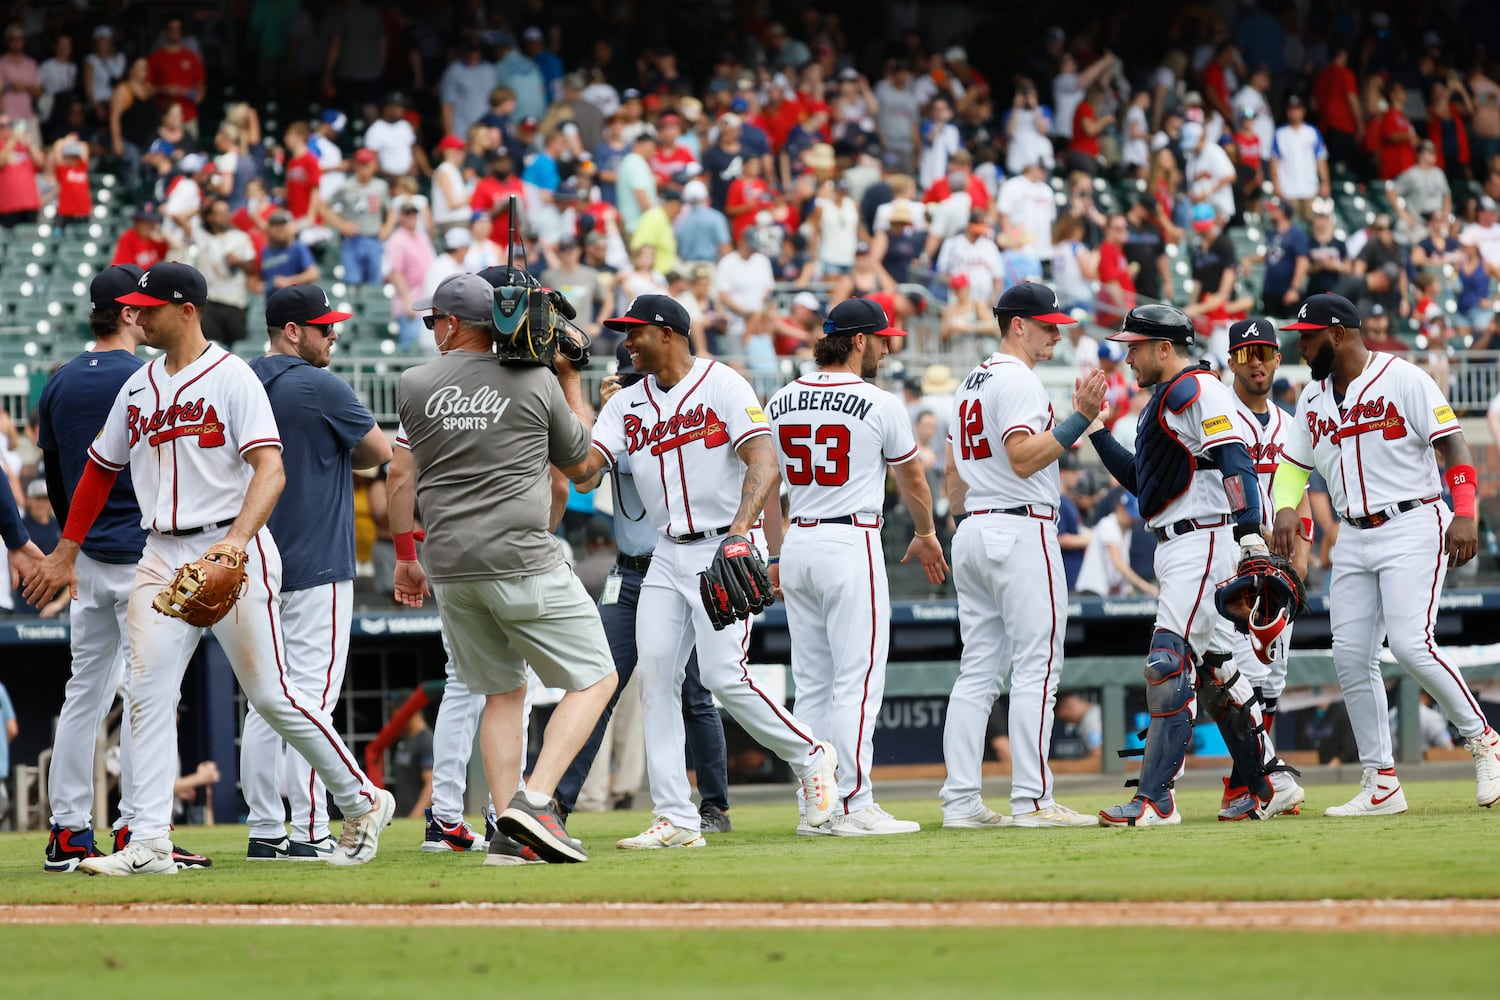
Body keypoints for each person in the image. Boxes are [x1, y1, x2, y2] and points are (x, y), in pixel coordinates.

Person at [23, 261, 395, 873]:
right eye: (134, 307)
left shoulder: (232, 378)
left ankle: (362, 798)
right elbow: (97, 470)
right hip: (158, 553)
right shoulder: (138, 386)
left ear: (187, 310)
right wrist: (66, 549)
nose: (137, 315)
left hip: (229, 545)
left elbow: (270, 470)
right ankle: (147, 842)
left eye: (150, 306)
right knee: (146, 693)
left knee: (273, 696)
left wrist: (237, 543)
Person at [569, 293, 839, 847]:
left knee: (723, 677)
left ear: (668, 333)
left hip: (720, 546)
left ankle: (811, 755)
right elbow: (585, 473)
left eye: (635, 331)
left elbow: (765, 459)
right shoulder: (625, 405)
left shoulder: (724, 383)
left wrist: (743, 532)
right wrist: (565, 389)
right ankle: (676, 817)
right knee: (656, 679)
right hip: (666, 554)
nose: (627, 343)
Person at [390, 272, 618, 865]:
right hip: (521, 556)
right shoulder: (537, 379)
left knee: (501, 692)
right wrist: (569, 377)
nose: (430, 328)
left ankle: (507, 840)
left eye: (431, 318)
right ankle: (535, 802)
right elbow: (585, 467)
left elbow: (399, 475)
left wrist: (404, 558)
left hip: (450, 565)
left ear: (451, 323)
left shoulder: (412, 384)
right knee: (597, 677)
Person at [1272, 293, 1500, 814]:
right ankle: (1381, 781)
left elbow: (1456, 447)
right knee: (1350, 656)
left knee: (1410, 644)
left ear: (1336, 334)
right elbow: (1292, 468)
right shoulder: (1312, 399)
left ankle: (1485, 740)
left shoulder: (1404, 379)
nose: (1300, 347)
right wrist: (1287, 507)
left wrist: (1465, 511)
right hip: (1352, 534)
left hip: (1412, 521)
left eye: (1306, 337)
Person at [1085, 303, 1302, 826]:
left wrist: (1250, 529)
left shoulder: (1193, 387)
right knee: (1214, 671)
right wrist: (1095, 431)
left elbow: (1235, 457)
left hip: (1202, 540)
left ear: (1165, 348)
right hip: (1181, 540)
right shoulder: (1167, 398)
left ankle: (1156, 798)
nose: (1128, 356)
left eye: (1135, 346)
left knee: (1168, 662)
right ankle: (1269, 781)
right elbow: (1145, 482)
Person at [764, 298, 946, 836]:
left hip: (799, 540)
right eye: (884, 339)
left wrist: (775, 554)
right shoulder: (880, 402)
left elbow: (768, 486)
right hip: (849, 540)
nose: (888, 349)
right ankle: (850, 802)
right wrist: (927, 534)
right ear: (860, 340)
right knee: (858, 681)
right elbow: (913, 480)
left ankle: (814, 803)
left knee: (814, 683)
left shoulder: (780, 398)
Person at [940, 283, 1105, 830]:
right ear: (1018, 325)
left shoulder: (972, 380)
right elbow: (1021, 458)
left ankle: (961, 802)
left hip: (975, 528)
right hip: (1018, 528)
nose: (1057, 330)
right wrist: (1079, 419)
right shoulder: (1018, 379)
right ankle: (1032, 800)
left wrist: (970, 523)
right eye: (1047, 322)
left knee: (977, 673)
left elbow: (950, 471)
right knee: (1037, 667)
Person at [552, 345, 735, 834]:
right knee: (597, 684)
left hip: (681, 564)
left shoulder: (668, 419)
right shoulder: (623, 417)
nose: (638, 386)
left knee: (697, 690)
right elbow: (585, 481)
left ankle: (714, 805)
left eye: (640, 379)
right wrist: (608, 410)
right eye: (629, 380)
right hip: (631, 571)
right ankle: (557, 806)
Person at [240, 285, 392, 861]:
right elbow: (378, 450)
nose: (333, 334)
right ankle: (309, 831)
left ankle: (265, 829)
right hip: (318, 564)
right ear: (292, 331)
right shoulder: (320, 384)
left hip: (255, 561)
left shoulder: (240, 380)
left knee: (266, 700)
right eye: (323, 326)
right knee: (310, 703)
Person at [37, 266, 167, 871]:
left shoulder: (58, 380)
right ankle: (135, 832)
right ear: (129, 314)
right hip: (147, 554)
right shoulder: (147, 377)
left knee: (82, 695)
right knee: (148, 694)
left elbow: (60, 479)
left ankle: (67, 833)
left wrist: (73, 544)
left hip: (86, 556)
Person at [1218, 318, 1312, 819]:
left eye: (1264, 352)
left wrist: (1300, 565)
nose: (1255, 361)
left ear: (1278, 359)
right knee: (1241, 678)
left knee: (1271, 681)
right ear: (1231, 360)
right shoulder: (1219, 411)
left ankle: (1246, 785)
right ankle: (1259, 781)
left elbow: (1302, 499)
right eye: (1244, 353)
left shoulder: (1290, 423)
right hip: (1233, 563)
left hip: (1277, 569)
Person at [193, 198, 257, 347]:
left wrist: (238, 261)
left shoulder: (241, 237)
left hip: (235, 301)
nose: (224, 216)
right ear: (210, 217)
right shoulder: (202, 237)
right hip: (210, 301)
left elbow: (253, 268)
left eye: (226, 212)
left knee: (237, 348)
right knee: (209, 347)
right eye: (219, 213)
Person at [323, 148, 390, 286]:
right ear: (355, 165)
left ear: (374, 165)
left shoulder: (381, 186)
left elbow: (391, 210)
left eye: (367, 164)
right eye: (361, 164)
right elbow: (323, 206)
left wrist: (387, 227)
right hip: (352, 240)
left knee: (375, 283)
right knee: (352, 282)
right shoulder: (346, 186)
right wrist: (341, 224)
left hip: (374, 238)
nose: (364, 168)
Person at [1074, 493, 1155, 597]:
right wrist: (1146, 587)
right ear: (1120, 508)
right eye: (1130, 514)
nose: (1133, 520)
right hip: (1091, 590)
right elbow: (1118, 563)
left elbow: (1123, 562)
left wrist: (1128, 589)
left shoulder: (1127, 530)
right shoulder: (1107, 524)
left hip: (1107, 592)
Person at [392, 705, 434, 817]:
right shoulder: (405, 739)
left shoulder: (426, 740)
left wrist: (415, 816)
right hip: (400, 812)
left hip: (416, 815)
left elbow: (431, 783)